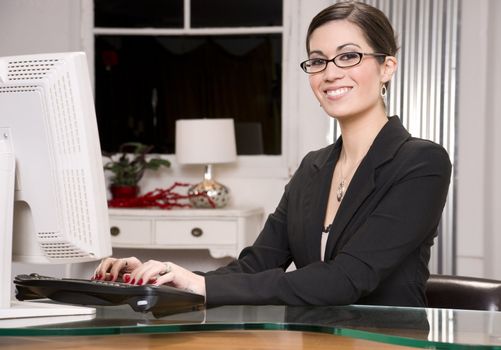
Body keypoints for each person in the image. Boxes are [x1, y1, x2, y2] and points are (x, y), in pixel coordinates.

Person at [94, 1, 452, 308]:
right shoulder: (312, 167)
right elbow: (256, 266)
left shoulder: (421, 163)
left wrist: (202, 286)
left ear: (387, 66)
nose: (330, 73)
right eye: (317, 61)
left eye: (348, 56)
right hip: (311, 339)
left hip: (386, 341)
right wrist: (167, 276)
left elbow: (348, 278)